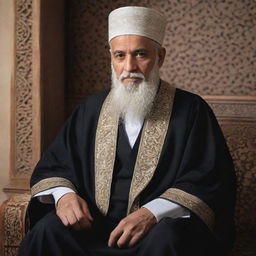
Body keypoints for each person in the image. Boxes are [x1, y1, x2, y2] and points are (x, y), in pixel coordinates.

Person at [18, 6, 236, 256]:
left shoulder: (192, 110)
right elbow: (56, 166)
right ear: (111, 58)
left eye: (140, 54)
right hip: (91, 230)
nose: (129, 66)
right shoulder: (90, 110)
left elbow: (209, 179)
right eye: (120, 55)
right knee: (47, 231)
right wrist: (64, 196)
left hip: (154, 233)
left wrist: (152, 213)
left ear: (160, 56)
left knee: (168, 239)